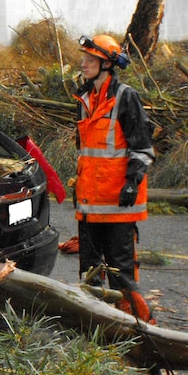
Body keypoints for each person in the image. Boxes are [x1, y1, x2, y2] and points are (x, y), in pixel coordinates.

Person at [73, 34, 156, 324]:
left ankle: (139, 328)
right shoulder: (84, 99)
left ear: (107, 63)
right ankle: (97, 329)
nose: (83, 63)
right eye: (84, 58)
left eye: (90, 59)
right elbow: (86, 151)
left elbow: (143, 149)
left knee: (121, 271)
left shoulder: (125, 97)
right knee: (91, 270)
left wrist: (132, 182)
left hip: (118, 204)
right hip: (89, 203)